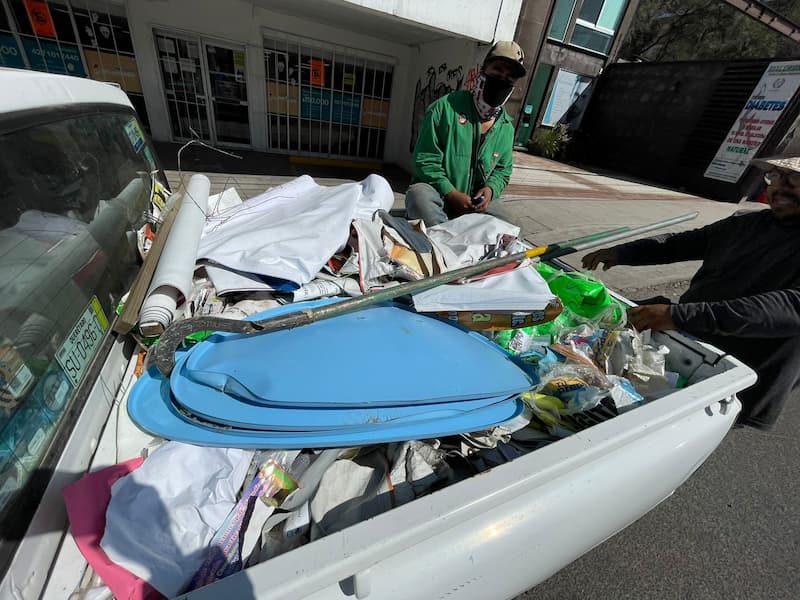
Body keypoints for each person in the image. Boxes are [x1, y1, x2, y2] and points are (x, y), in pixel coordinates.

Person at [581, 155, 800, 431]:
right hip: (691, 347)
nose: (780, 186)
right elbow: (685, 243)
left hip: (740, 371)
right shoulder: (748, 223)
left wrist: (680, 315)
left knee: (691, 433)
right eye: (776, 177)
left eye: (794, 179)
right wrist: (626, 252)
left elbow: (790, 307)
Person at [405, 41, 526, 227]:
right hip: (440, 195)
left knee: (513, 225)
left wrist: (490, 190)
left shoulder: (506, 127)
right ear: (484, 69)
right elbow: (425, 160)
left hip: (475, 205)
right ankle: (444, 239)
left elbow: (503, 170)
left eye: (509, 77)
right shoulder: (444, 108)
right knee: (418, 196)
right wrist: (451, 193)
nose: (503, 78)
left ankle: (454, 235)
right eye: (498, 70)